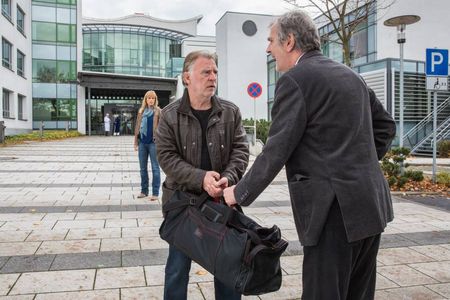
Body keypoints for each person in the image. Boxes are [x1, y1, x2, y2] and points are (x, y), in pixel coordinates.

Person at [223, 10, 396, 300]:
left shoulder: (296, 80)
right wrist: (356, 166)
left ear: (289, 42)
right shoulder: (351, 75)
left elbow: (276, 149)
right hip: (370, 207)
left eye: (271, 41)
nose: (268, 48)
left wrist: (238, 193)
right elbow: (386, 127)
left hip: (332, 213)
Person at [155, 50, 249, 300]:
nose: (212, 77)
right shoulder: (169, 115)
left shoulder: (230, 112)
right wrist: (201, 178)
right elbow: (166, 157)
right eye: (206, 72)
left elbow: (241, 151)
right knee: (177, 270)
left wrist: (228, 177)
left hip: (221, 203)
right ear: (187, 77)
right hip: (183, 205)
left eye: (215, 72)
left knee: (228, 267)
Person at [134, 90, 161, 200]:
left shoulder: (158, 111)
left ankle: (155, 193)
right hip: (142, 143)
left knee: (155, 168)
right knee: (142, 169)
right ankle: (144, 191)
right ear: (145, 99)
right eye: (149, 98)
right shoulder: (141, 111)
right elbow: (137, 127)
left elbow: (163, 127)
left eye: (152, 98)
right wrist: (136, 142)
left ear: (155, 100)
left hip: (153, 143)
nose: (151, 100)